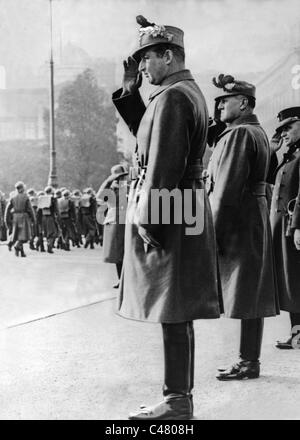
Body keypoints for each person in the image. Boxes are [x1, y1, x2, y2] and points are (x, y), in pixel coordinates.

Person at [112, 16, 221, 420]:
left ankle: (178, 401)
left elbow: (162, 163)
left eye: (146, 59)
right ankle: (178, 398)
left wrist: (148, 217)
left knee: (173, 308)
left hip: (171, 206)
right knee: (175, 308)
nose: (141, 68)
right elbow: (151, 136)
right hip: (183, 204)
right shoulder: (180, 92)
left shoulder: (174, 97)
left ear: (169, 56)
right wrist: (129, 93)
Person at [207, 74, 279, 380]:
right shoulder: (256, 132)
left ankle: (248, 361)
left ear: (245, 104)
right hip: (255, 215)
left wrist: (214, 232)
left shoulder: (238, 136)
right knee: (253, 291)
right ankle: (249, 360)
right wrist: (219, 115)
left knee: (247, 291)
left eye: (226, 100)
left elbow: (224, 188)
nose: (220, 105)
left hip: (238, 219)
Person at [268, 107, 300, 349]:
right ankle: (296, 331)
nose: (284, 133)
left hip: (294, 228)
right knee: (291, 281)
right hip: (284, 230)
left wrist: (298, 225)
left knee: (296, 280)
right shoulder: (290, 155)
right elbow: (269, 181)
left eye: (288, 128)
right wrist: (272, 151)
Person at [96, 164, 128, 288]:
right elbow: (99, 197)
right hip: (114, 220)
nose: (120, 179)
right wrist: (108, 181)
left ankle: (125, 279)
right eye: (118, 177)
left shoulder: (129, 187)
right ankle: (121, 279)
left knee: (126, 251)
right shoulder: (110, 189)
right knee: (116, 253)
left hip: (127, 220)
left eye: (122, 176)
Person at [4, 181, 35, 257]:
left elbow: (7, 210)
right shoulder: (26, 197)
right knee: (24, 236)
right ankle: (17, 246)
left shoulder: (13, 197)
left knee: (18, 235)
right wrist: (33, 219)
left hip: (15, 217)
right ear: (22, 188)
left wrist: (7, 220)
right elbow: (30, 209)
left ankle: (21, 252)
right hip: (24, 217)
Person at [37, 186, 59, 254]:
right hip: (50, 217)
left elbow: (39, 210)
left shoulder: (41, 198)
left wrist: (39, 219)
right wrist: (58, 217)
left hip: (43, 217)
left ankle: (45, 245)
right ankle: (49, 245)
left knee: (46, 232)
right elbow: (56, 209)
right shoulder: (53, 199)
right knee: (52, 232)